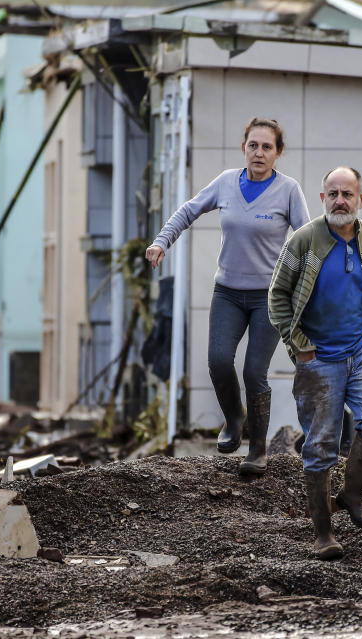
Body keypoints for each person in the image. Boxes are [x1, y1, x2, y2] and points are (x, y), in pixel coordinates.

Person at [146, 117, 310, 475]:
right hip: (228, 294)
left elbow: (308, 239)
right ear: (244, 148)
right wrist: (162, 241)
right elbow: (188, 210)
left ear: (277, 153)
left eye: (267, 147)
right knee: (219, 361)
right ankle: (235, 420)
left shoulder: (288, 190)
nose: (259, 152)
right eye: (253, 145)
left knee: (254, 372)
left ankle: (258, 450)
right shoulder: (225, 183)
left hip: (270, 297)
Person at [268, 166, 362, 560]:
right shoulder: (304, 241)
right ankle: (323, 533)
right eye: (333, 194)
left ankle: (354, 495)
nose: (340, 200)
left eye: (348, 194)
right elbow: (278, 297)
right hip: (318, 357)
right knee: (321, 445)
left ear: (361, 199)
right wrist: (300, 346)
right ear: (322, 198)